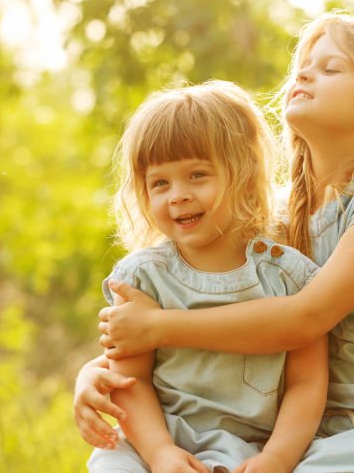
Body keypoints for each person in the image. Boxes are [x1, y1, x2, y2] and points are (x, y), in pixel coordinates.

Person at [80, 12, 354, 472]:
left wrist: (157, 327)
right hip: (326, 438)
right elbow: (203, 292)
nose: (304, 73)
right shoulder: (283, 223)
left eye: (330, 68)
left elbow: (305, 318)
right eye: (304, 65)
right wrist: (94, 372)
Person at [80, 81, 328, 473]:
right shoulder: (142, 278)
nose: (177, 195)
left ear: (244, 173)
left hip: (257, 447)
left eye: (197, 175)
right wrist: (160, 452)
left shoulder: (286, 274)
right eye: (160, 182)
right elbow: (130, 382)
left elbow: (307, 382)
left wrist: (278, 458)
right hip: (152, 441)